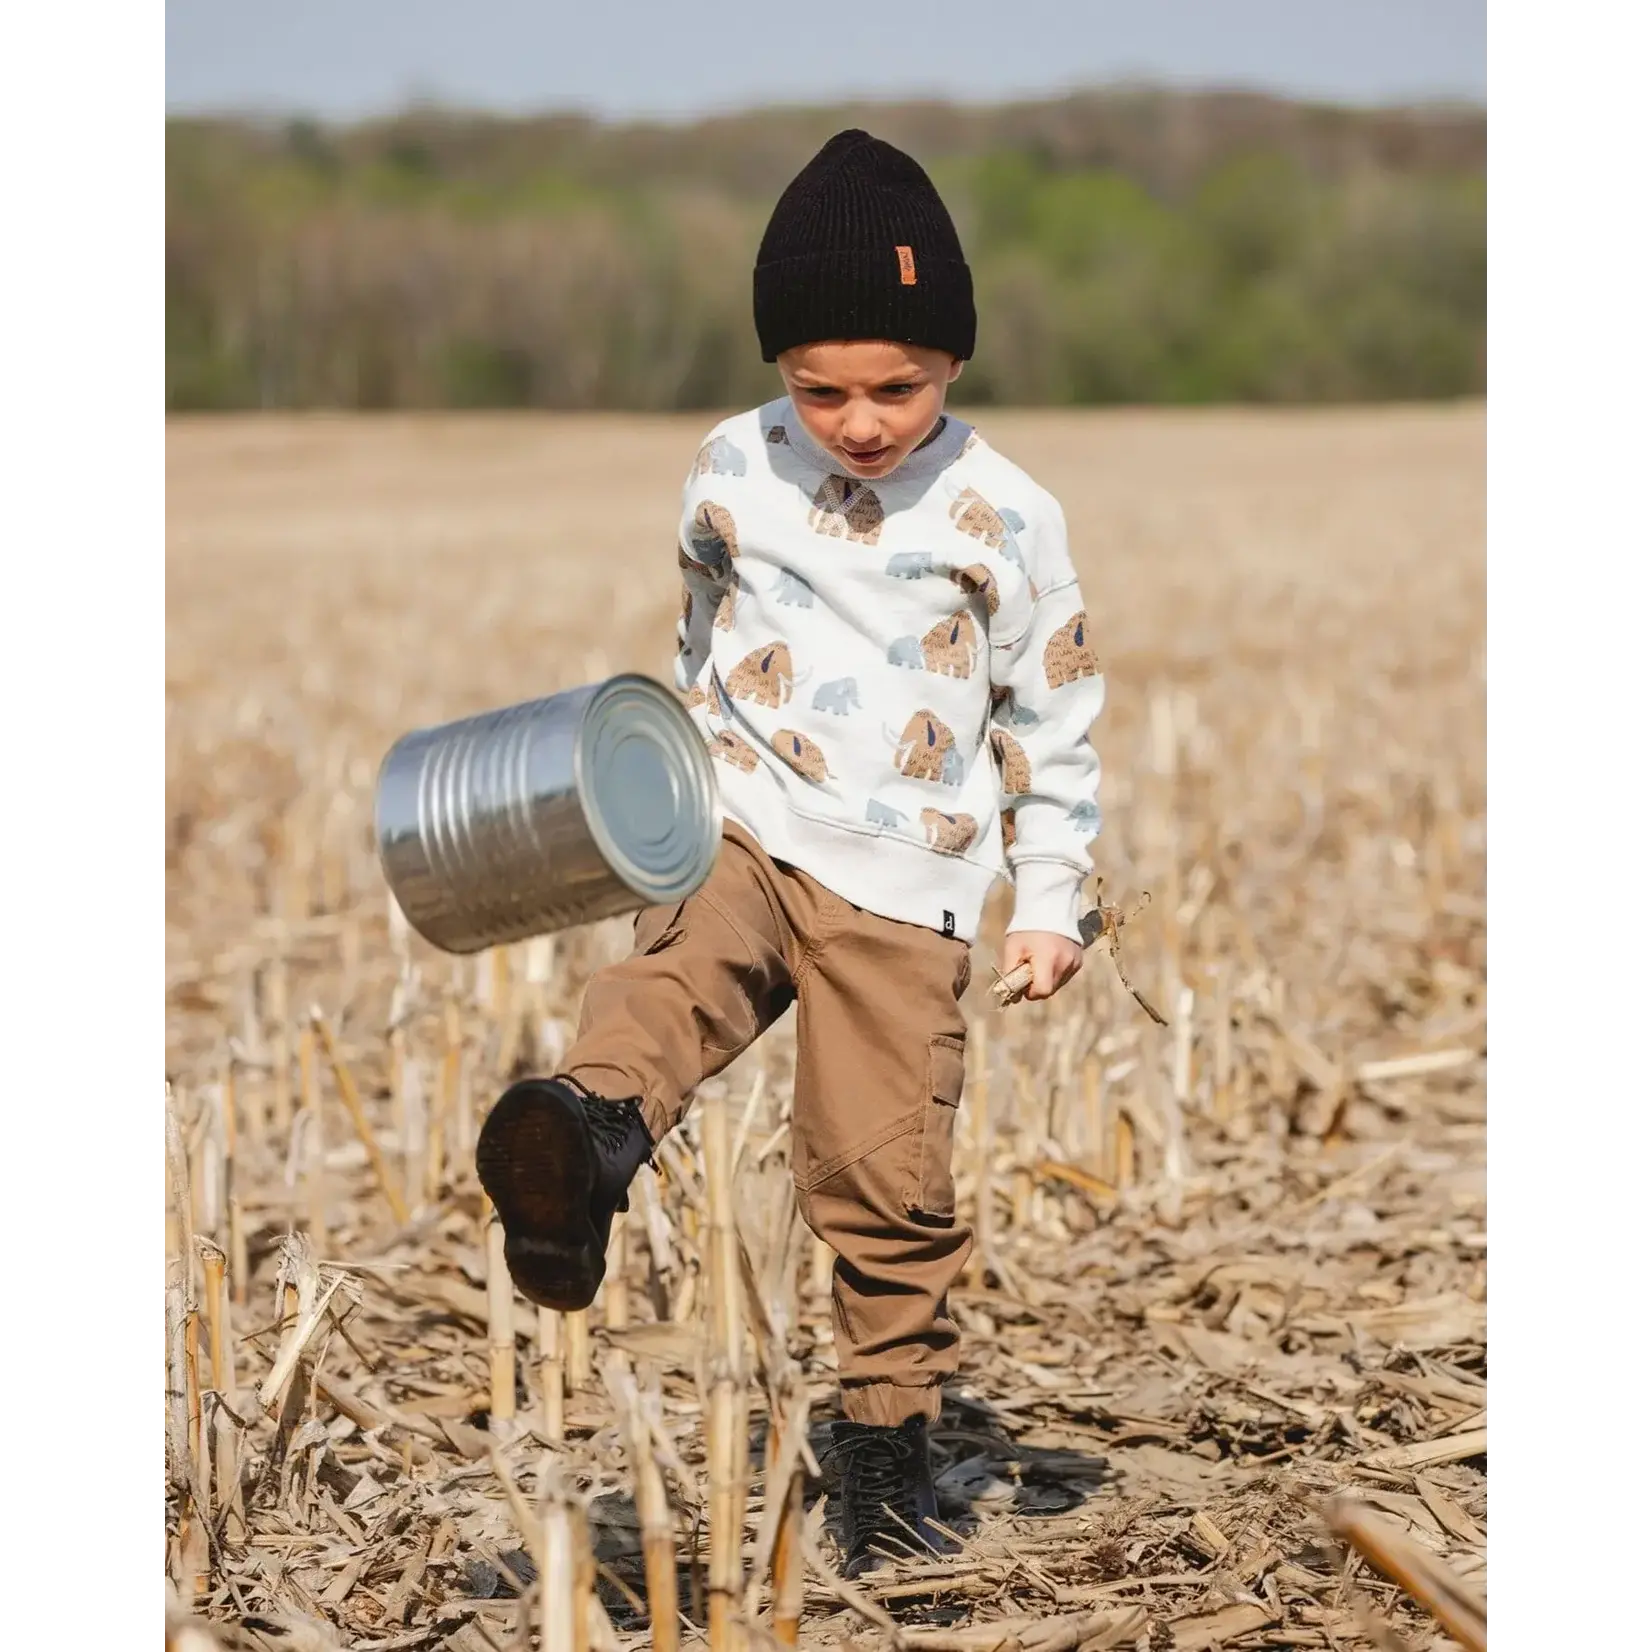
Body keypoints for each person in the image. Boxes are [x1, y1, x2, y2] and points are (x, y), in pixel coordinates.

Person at [478, 129, 1104, 1578]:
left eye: (897, 387)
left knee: (881, 1171)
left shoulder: (1008, 513)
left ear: (953, 360)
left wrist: (1052, 896)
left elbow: (1053, 719)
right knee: (663, 987)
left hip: (909, 875)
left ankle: (883, 1450)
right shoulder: (728, 468)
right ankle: (580, 1146)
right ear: (778, 366)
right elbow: (699, 644)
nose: (859, 421)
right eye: (819, 388)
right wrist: (658, 795)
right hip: (749, 821)